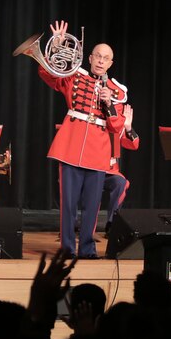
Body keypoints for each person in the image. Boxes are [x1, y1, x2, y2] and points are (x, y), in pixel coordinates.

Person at [35, 20, 128, 258]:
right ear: (89, 57)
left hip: (97, 150)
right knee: (68, 204)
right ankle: (67, 248)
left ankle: (87, 248)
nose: (100, 60)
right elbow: (47, 74)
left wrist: (109, 103)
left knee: (92, 205)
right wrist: (56, 45)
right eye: (97, 55)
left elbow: (116, 126)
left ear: (110, 63)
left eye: (105, 58)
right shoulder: (74, 76)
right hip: (70, 145)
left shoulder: (117, 91)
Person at [76, 103, 139, 235]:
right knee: (93, 189)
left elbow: (134, 145)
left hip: (109, 173)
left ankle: (112, 224)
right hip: (89, 170)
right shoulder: (90, 121)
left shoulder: (116, 128)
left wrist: (128, 127)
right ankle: (87, 229)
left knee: (120, 183)